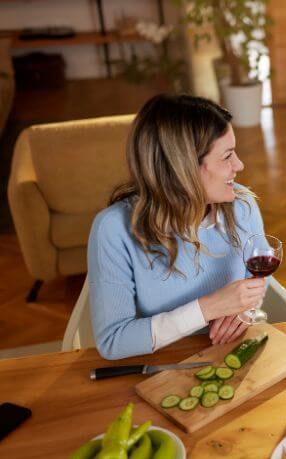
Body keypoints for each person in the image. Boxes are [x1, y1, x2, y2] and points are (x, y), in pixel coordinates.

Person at [88, 94, 269, 360]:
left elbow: (261, 273)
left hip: (233, 354)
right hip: (160, 365)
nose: (239, 165)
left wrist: (246, 311)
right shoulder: (113, 230)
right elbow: (113, 341)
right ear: (182, 168)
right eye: (227, 156)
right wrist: (208, 308)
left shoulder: (241, 204)